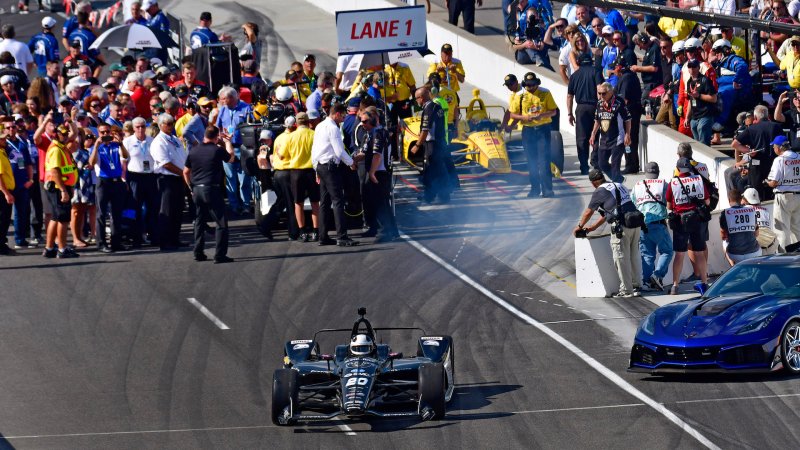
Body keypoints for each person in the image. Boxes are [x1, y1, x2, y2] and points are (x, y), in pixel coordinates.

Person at [574, 169, 642, 297]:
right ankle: (637, 285)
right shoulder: (618, 185)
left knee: (621, 258)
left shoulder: (599, 191)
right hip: (635, 222)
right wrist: (593, 227)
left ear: (594, 183)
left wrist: (580, 226)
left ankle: (627, 290)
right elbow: (608, 214)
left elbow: (589, 212)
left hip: (622, 227)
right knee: (634, 256)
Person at [183, 125, 236, 263]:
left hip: (197, 189)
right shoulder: (217, 150)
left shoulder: (193, 150)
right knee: (221, 222)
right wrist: (228, 142)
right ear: (216, 136)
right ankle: (219, 255)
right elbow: (231, 158)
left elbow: (186, 171)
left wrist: (191, 187)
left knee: (200, 221)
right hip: (211, 188)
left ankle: (198, 252)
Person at [311, 103, 358, 247]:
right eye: (343, 115)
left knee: (324, 203)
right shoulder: (333, 128)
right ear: (336, 113)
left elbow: (315, 149)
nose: (344, 118)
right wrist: (351, 163)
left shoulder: (320, 126)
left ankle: (323, 236)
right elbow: (339, 151)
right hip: (330, 167)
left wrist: (316, 168)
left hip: (321, 165)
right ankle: (342, 236)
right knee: (338, 201)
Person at [666, 157, 711, 294]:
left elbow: (669, 205)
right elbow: (707, 201)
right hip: (696, 219)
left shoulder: (673, 183)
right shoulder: (698, 179)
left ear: (678, 169)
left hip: (680, 220)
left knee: (679, 254)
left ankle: (675, 286)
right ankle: (704, 283)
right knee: (699, 252)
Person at [509, 72, 557, 197]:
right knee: (531, 161)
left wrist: (542, 115)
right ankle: (534, 189)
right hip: (528, 130)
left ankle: (547, 189)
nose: (530, 87)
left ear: (537, 83)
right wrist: (524, 117)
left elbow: (553, 112)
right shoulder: (519, 96)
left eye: (533, 85)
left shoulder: (545, 93)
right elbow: (512, 114)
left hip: (543, 129)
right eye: (528, 85)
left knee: (544, 161)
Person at [358, 108, 399, 243]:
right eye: (360, 121)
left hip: (380, 173)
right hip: (378, 172)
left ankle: (385, 232)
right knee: (380, 203)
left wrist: (372, 173)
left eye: (364, 121)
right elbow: (364, 153)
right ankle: (391, 230)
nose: (362, 124)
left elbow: (377, 155)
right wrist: (351, 160)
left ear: (374, 119)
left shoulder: (379, 133)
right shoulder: (371, 133)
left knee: (381, 204)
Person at [631, 162, 672, 291]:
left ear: (645, 173)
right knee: (667, 251)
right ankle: (657, 275)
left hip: (642, 225)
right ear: (657, 172)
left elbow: (633, 203)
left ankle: (647, 282)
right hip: (659, 223)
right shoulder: (663, 184)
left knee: (647, 255)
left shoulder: (637, 186)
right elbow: (669, 201)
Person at [89, 123, 129, 252]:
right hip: (103, 182)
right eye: (102, 132)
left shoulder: (115, 145)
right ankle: (101, 244)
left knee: (117, 213)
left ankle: (116, 242)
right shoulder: (96, 147)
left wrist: (121, 143)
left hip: (117, 181)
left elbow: (126, 156)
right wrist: (96, 145)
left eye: (107, 132)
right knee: (101, 214)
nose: (105, 135)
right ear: (98, 134)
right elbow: (91, 163)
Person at [43, 122, 80, 259]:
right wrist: (64, 190)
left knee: (55, 217)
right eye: (62, 134)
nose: (65, 136)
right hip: (59, 188)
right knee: (63, 220)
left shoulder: (61, 146)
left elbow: (74, 133)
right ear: (56, 134)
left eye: (65, 134)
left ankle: (49, 248)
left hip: (61, 187)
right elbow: (54, 171)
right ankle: (62, 249)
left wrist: (71, 121)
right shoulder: (56, 149)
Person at [732, 105, 784, 201]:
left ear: (755, 117)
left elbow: (735, 144)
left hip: (757, 166)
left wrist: (748, 151)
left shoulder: (751, 129)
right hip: (774, 164)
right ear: (768, 116)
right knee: (773, 194)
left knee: (756, 195)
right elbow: (783, 144)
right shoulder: (776, 126)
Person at [215, 86, 253, 214]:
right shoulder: (223, 110)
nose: (221, 101)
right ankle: (234, 206)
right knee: (230, 178)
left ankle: (246, 204)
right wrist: (221, 137)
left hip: (242, 148)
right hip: (227, 148)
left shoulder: (246, 108)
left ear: (231, 98)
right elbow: (218, 127)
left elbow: (252, 126)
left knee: (244, 179)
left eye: (223, 99)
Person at [282, 112, 320, 242]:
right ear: (308, 121)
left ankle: (302, 232)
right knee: (315, 202)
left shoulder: (290, 137)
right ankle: (316, 231)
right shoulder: (314, 134)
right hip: (312, 171)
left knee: (298, 203)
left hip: (296, 172)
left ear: (296, 123)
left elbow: (282, 155)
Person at [150, 113, 186, 251]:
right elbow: (166, 164)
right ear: (160, 125)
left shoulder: (174, 139)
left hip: (178, 178)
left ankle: (175, 238)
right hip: (166, 179)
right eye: (168, 124)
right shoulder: (159, 142)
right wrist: (183, 173)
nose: (171, 126)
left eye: (172, 123)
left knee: (177, 210)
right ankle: (164, 242)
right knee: (166, 210)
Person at [123, 117, 157, 247]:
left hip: (150, 176)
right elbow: (123, 162)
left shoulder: (151, 140)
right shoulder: (127, 142)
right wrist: (124, 179)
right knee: (134, 208)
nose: (141, 129)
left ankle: (153, 235)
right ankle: (135, 238)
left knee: (152, 208)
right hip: (134, 177)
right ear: (133, 128)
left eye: (143, 126)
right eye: (138, 127)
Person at [590, 82, 631, 183]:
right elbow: (597, 120)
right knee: (601, 164)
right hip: (604, 139)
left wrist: (627, 134)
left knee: (615, 166)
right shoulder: (599, 104)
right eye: (599, 93)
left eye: (603, 93)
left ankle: (617, 186)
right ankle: (619, 180)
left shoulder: (619, 102)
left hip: (618, 139)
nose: (601, 96)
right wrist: (593, 134)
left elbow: (628, 119)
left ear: (610, 92)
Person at [765, 135, 800, 251]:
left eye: (774, 146)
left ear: (780, 147)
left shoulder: (779, 160)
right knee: (797, 228)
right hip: (798, 195)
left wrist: (766, 182)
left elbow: (774, 182)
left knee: (782, 228)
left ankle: (785, 255)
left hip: (784, 196)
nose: (774, 148)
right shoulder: (799, 156)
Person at [4, 118, 34, 250]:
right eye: (8, 127)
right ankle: (5, 241)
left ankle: (21, 239)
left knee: (22, 212)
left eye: (13, 127)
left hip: (23, 183)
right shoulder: (4, 144)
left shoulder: (21, 143)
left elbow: (28, 163)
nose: (11, 129)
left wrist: (31, 179)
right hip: (9, 184)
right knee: (6, 215)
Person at [614, 54, 642, 174]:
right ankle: (631, 163)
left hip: (630, 113)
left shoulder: (626, 78)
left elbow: (623, 100)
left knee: (629, 139)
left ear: (619, 67)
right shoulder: (628, 76)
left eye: (615, 67)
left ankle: (631, 164)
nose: (614, 70)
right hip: (631, 112)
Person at [272, 116, 299, 240]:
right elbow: (282, 155)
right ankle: (293, 233)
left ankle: (266, 222)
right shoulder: (291, 138)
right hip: (287, 172)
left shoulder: (279, 137)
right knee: (291, 204)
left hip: (278, 173)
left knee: (282, 203)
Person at [720, 189, 761, 266]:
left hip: (735, 254)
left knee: (724, 243)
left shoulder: (725, 213)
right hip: (754, 252)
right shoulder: (751, 210)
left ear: (729, 200)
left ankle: (734, 267)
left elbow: (723, 236)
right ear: (741, 199)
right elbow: (756, 234)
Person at [683, 59, 717, 146]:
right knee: (697, 145)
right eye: (689, 67)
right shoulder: (689, 82)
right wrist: (687, 117)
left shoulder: (705, 80)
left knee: (703, 141)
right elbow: (691, 100)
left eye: (694, 67)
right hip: (695, 116)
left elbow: (714, 98)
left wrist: (699, 96)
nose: (692, 69)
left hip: (705, 114)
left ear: (698, 67)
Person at [70, 132, 97, 247]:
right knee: (75, 212)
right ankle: (75, 238)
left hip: (85, 184)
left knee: (81, 212)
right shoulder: (68, 153)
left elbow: (91, 164)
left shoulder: (84, 152)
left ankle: (80, 236)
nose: (77, 141)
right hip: (74, 185)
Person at [742, 187, 779, 255]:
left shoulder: (743, 211)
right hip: (772, 244)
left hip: (757, 249)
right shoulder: (765, 210)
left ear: (746, 200)